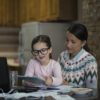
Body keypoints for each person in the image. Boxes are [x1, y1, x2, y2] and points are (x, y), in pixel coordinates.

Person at [58, 23, 98, 89]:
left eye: (73, 42)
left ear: (83, 43)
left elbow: (92, 91)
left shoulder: (90, 61)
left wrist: (69, 85)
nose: (68, 45)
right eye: (67, 40)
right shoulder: (62, 56)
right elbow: (57, 79)